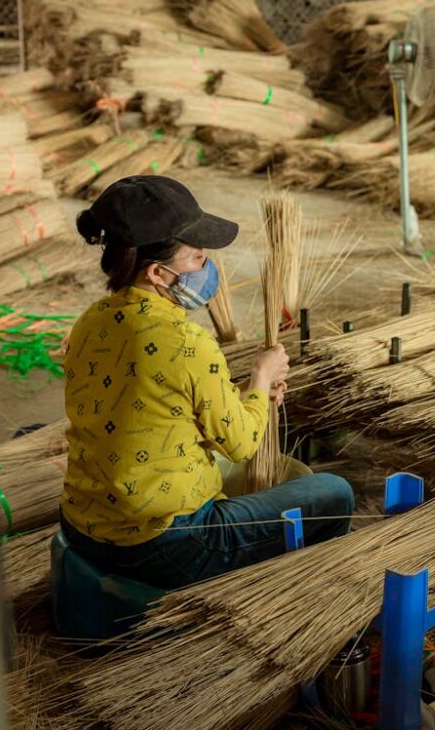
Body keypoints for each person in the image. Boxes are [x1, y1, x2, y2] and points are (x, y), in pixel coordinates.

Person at [59, 175, 355, 589]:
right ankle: (299, 599)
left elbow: (148, 401)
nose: (208, 268)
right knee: (333, 492)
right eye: (197, 259)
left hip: (80, 525)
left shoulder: (91, 320)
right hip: (163, 545)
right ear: (159, 274)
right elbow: (241, 445)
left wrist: (244, 396)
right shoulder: (186, 342)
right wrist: (261, 378)